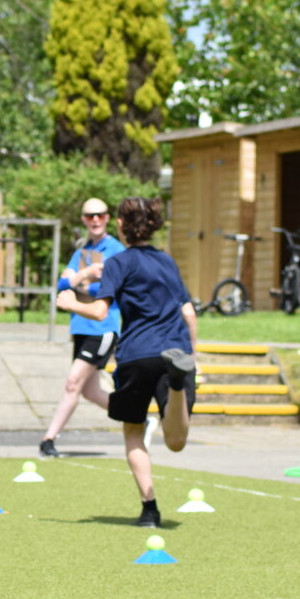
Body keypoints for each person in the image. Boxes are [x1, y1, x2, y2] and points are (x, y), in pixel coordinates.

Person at [55, 196, 198, 528]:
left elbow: (100, 311)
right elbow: (188, 312)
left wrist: (71, 302)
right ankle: (176, 384)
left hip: (136, 355)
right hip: (174, 350)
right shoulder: (167, 262)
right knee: (176, 442)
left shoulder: (118, 262)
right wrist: (193, 354)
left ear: (120, 224)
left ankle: (150, 509)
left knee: (134, 432)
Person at [40, 198, 126, 458]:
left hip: (103, 325)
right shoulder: (81, 252)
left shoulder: (116, 249)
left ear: (108, 217)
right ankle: (138, 418)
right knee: (90, 391)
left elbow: (113, 288)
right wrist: (86, 273)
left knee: (72, 382)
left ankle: (48, 438)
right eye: (90, 216)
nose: (95, 220)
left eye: (100, 215)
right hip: (81, 326)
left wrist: (78, 283)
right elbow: (60, 287)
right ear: (83, 220)